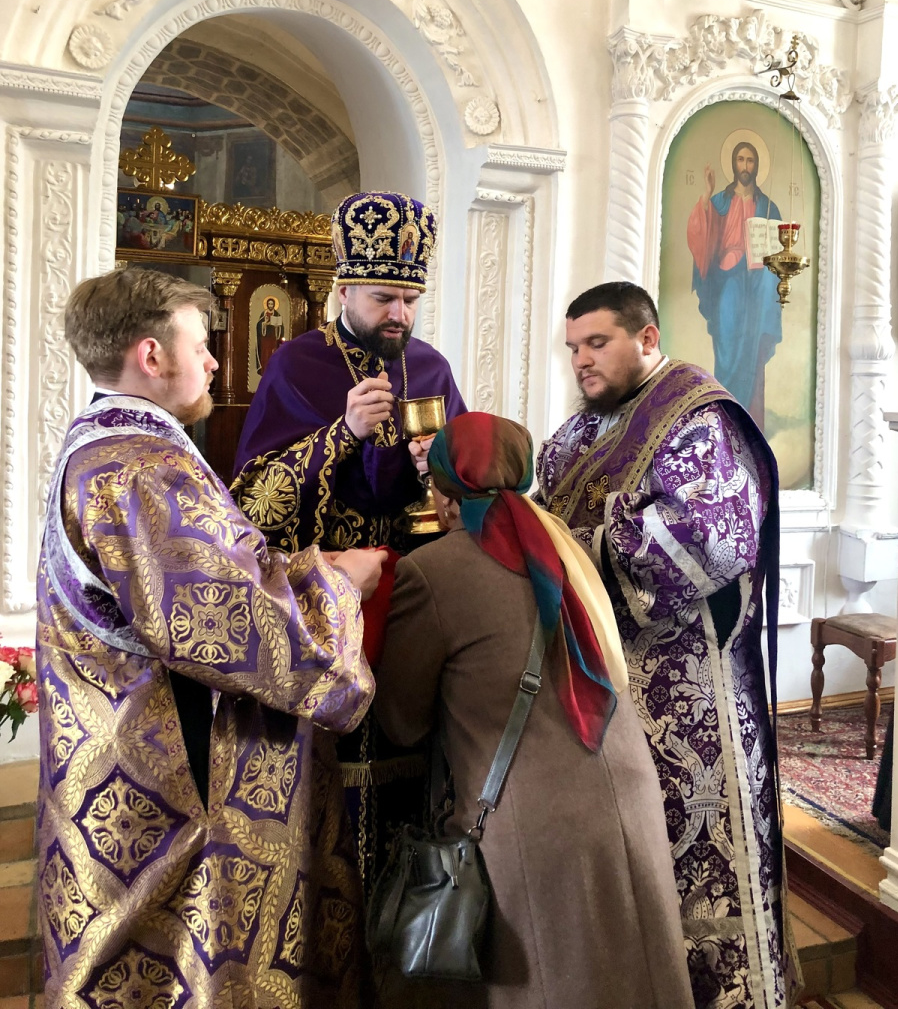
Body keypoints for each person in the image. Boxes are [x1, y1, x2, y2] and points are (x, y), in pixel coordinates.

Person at [36, 267, 385, 1009]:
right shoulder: (140, 467)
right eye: (200, 345)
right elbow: (228, 623)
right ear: (151, 355)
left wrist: (302, 569)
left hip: (124, 758)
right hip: (168, 780)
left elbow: (209, 575)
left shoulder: (106, 444)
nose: (216, 362)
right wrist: (338, 583)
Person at [375, 412, 694, 1009]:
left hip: (535, 828)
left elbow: (402, 721)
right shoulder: (568, 551)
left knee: (554, 988)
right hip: (629, 801)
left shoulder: (430, 573)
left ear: (444, 493)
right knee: (639, 981)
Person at [535, 282, 797, 1009]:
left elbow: (710, 538)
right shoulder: (584, 428)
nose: (581, 361)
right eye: (574, 348)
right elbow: (546, 499)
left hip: (692, 696)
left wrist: (568, 546)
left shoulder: (698, 420)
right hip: (608, 678)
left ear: (646, 338)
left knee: (697, 867)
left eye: (597, 343)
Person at [231, 190, 467, 896]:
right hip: (331, 603)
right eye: (383, 298)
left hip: (415, 599)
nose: (400, 314)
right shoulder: (296, 365)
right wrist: (344, 434)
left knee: (413, 757)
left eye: (410, 299)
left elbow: (465, 484)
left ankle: (410, 919)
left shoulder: (431, 368)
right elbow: (251, 504)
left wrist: (441, 472)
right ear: (343, 290)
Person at [687, 140, 783, 428]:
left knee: (752, 346)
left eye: (750, 160)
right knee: (728, 342)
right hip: (727, 279)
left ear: (756, 166)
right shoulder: (720, 202)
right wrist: (706, 195)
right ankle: (725, 415)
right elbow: (700, 233)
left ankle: (749, 420)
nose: (745, 166)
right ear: (733, 163)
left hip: (756, 282)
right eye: (740, 159)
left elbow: (780, 252)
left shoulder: (768, 207)